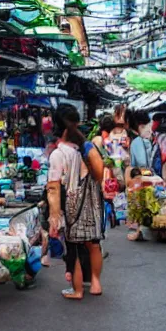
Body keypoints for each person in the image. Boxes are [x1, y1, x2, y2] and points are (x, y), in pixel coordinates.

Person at [46, 103, 105, 299]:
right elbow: (99, 175)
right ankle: (95, 283)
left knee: (75, 249)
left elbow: (54, 187)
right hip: (93, 204)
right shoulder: (86, 148)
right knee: (93, 245)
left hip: (72, 206)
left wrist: (54, 214)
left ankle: (77, 290)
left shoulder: (59, 154)